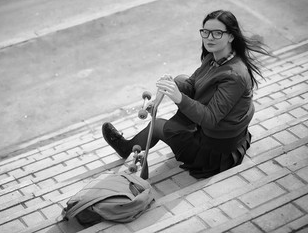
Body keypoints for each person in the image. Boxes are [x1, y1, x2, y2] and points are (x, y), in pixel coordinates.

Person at [102, 10, 269, 179]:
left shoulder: (235, 75)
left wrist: (178, 97)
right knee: (180, 79)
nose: (209, 38)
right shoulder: (214, 57)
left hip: (215, 150)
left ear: (231, 36)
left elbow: (211, 118)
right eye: (205, 32)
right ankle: (182, 128)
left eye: (217, 33)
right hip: (219, 130)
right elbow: (192, 83)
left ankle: (126, 148)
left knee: (159, 125)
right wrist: (172, 85)